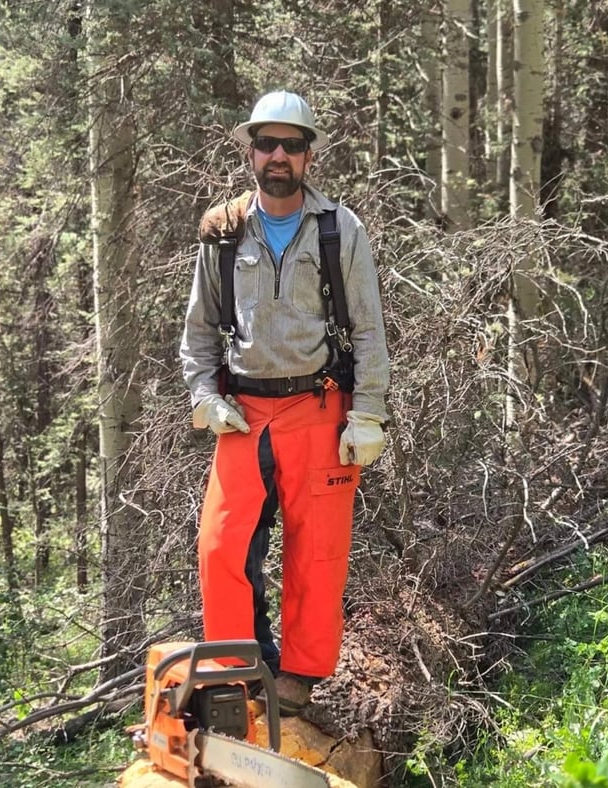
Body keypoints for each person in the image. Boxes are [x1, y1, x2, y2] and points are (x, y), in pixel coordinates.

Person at [180, 90, 389, 715]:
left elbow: (371, 327)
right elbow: (199, 331)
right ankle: (238, 669)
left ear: (308, 155)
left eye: (291, 145)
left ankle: (297, 679)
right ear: (250, 150)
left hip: (318, 408)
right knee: (221, 546)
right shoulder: (222, 230)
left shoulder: (338, 228)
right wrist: (204, 397)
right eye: (267, 143)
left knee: (316, 550)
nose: (278, 156)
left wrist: (369, 412)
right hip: (243, 412)